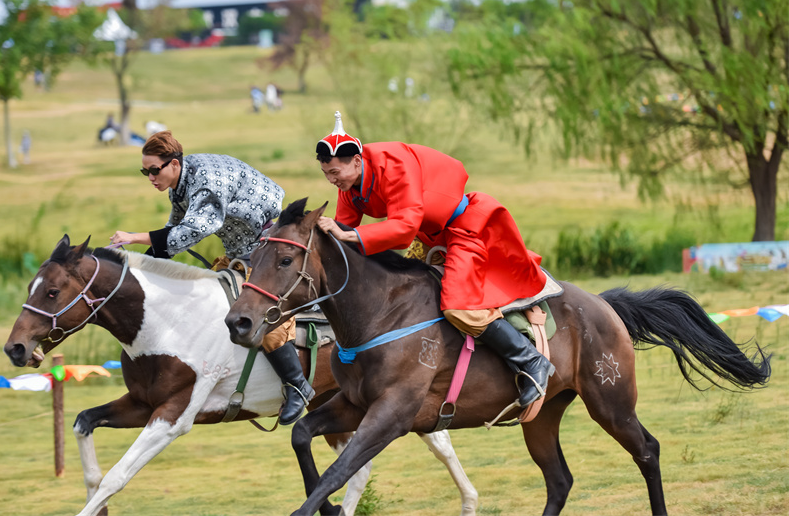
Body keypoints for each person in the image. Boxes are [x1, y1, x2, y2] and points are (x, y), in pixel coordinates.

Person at [315, 112, 554, 409]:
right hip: (428, 237)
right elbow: (343, 233)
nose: (331, 180)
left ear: (357, 161)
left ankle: (533, 363)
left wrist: (350, 236)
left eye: (335, 173)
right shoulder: (350, 186)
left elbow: (402, 229)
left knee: (457, 307)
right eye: (327, 174)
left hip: (464, 229)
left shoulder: (395, 165)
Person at [109, 130, 313, 424]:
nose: (151, 177)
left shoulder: (205, 180)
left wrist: (133, 238)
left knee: (255, 309)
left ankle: (297, 385)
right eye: (145, 171)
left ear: (174, 164)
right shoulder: (178, 188)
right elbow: (174, 236)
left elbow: (195, 230)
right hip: (242, 248)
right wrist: (130, 266)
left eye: (155, 170)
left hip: (270, 244)